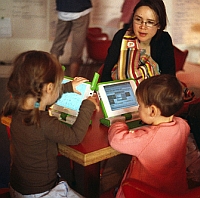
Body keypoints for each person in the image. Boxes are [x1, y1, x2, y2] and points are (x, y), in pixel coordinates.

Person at [1, 50, 99, 197]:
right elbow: (74, 136)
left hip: (19, 188)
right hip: (41, 192)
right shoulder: (44, 122)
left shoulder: (19, 108)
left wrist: (68, 87)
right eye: (59, 84)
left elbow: (43, 98)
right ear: (49, 88)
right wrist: (88, 104)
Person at [108, 74, 190, 197]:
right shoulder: (183, 125)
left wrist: (118, 123)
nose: (138, 109)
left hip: (145, 192)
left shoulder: (146, 138)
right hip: (174, 191)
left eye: (140, 105)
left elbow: (116, 140)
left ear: (153, 111)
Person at [101, 0, 175, 82]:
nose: (143, 27)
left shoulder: (164, 40)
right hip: (120, 92)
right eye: (138, 20)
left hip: (154, 93)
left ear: (159, 25)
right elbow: (106, 76)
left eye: (150, 22)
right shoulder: (121, 36)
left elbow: (169, 79)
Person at [50, 0, 92, 78]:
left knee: (58, 43)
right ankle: (73, 80)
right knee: (77, 46)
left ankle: (51, 76)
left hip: (62, 9)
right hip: (81, 9)